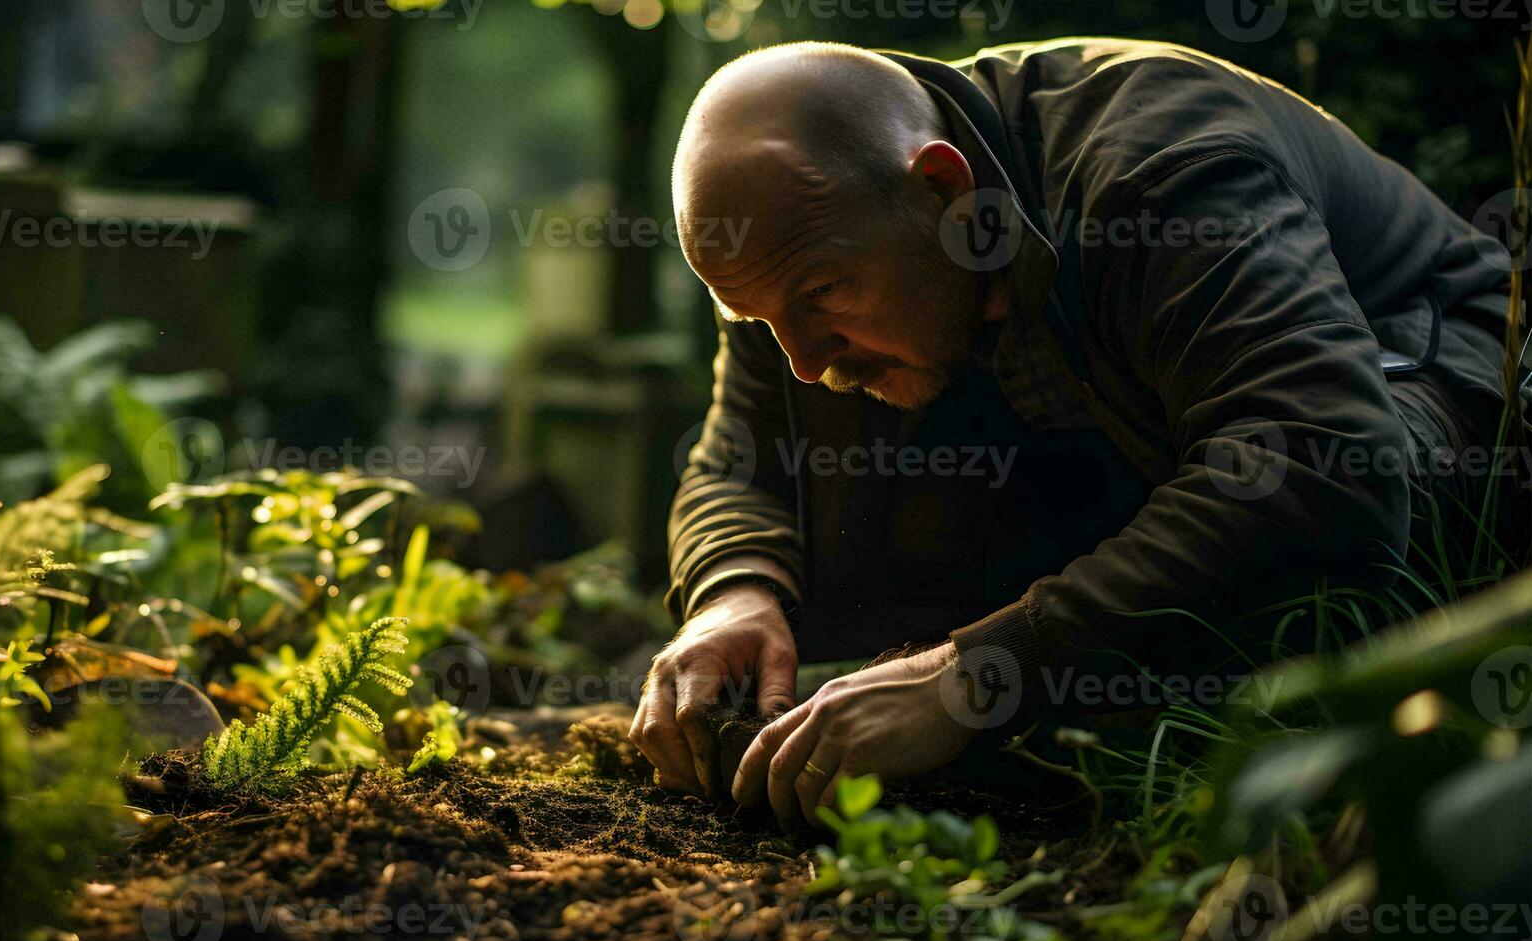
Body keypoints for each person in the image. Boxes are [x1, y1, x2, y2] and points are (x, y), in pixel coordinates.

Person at [630, 39, 1526, 830]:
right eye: (754, 316)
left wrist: (981, 672)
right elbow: (740, 460)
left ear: (942, 188)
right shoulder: (792, 249)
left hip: (1438, 385)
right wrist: (732, 592)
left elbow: (1320, 459)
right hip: (1162, 438)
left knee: (1339, 528)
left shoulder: (1160, 172)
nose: (801, 359)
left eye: (822, 295)